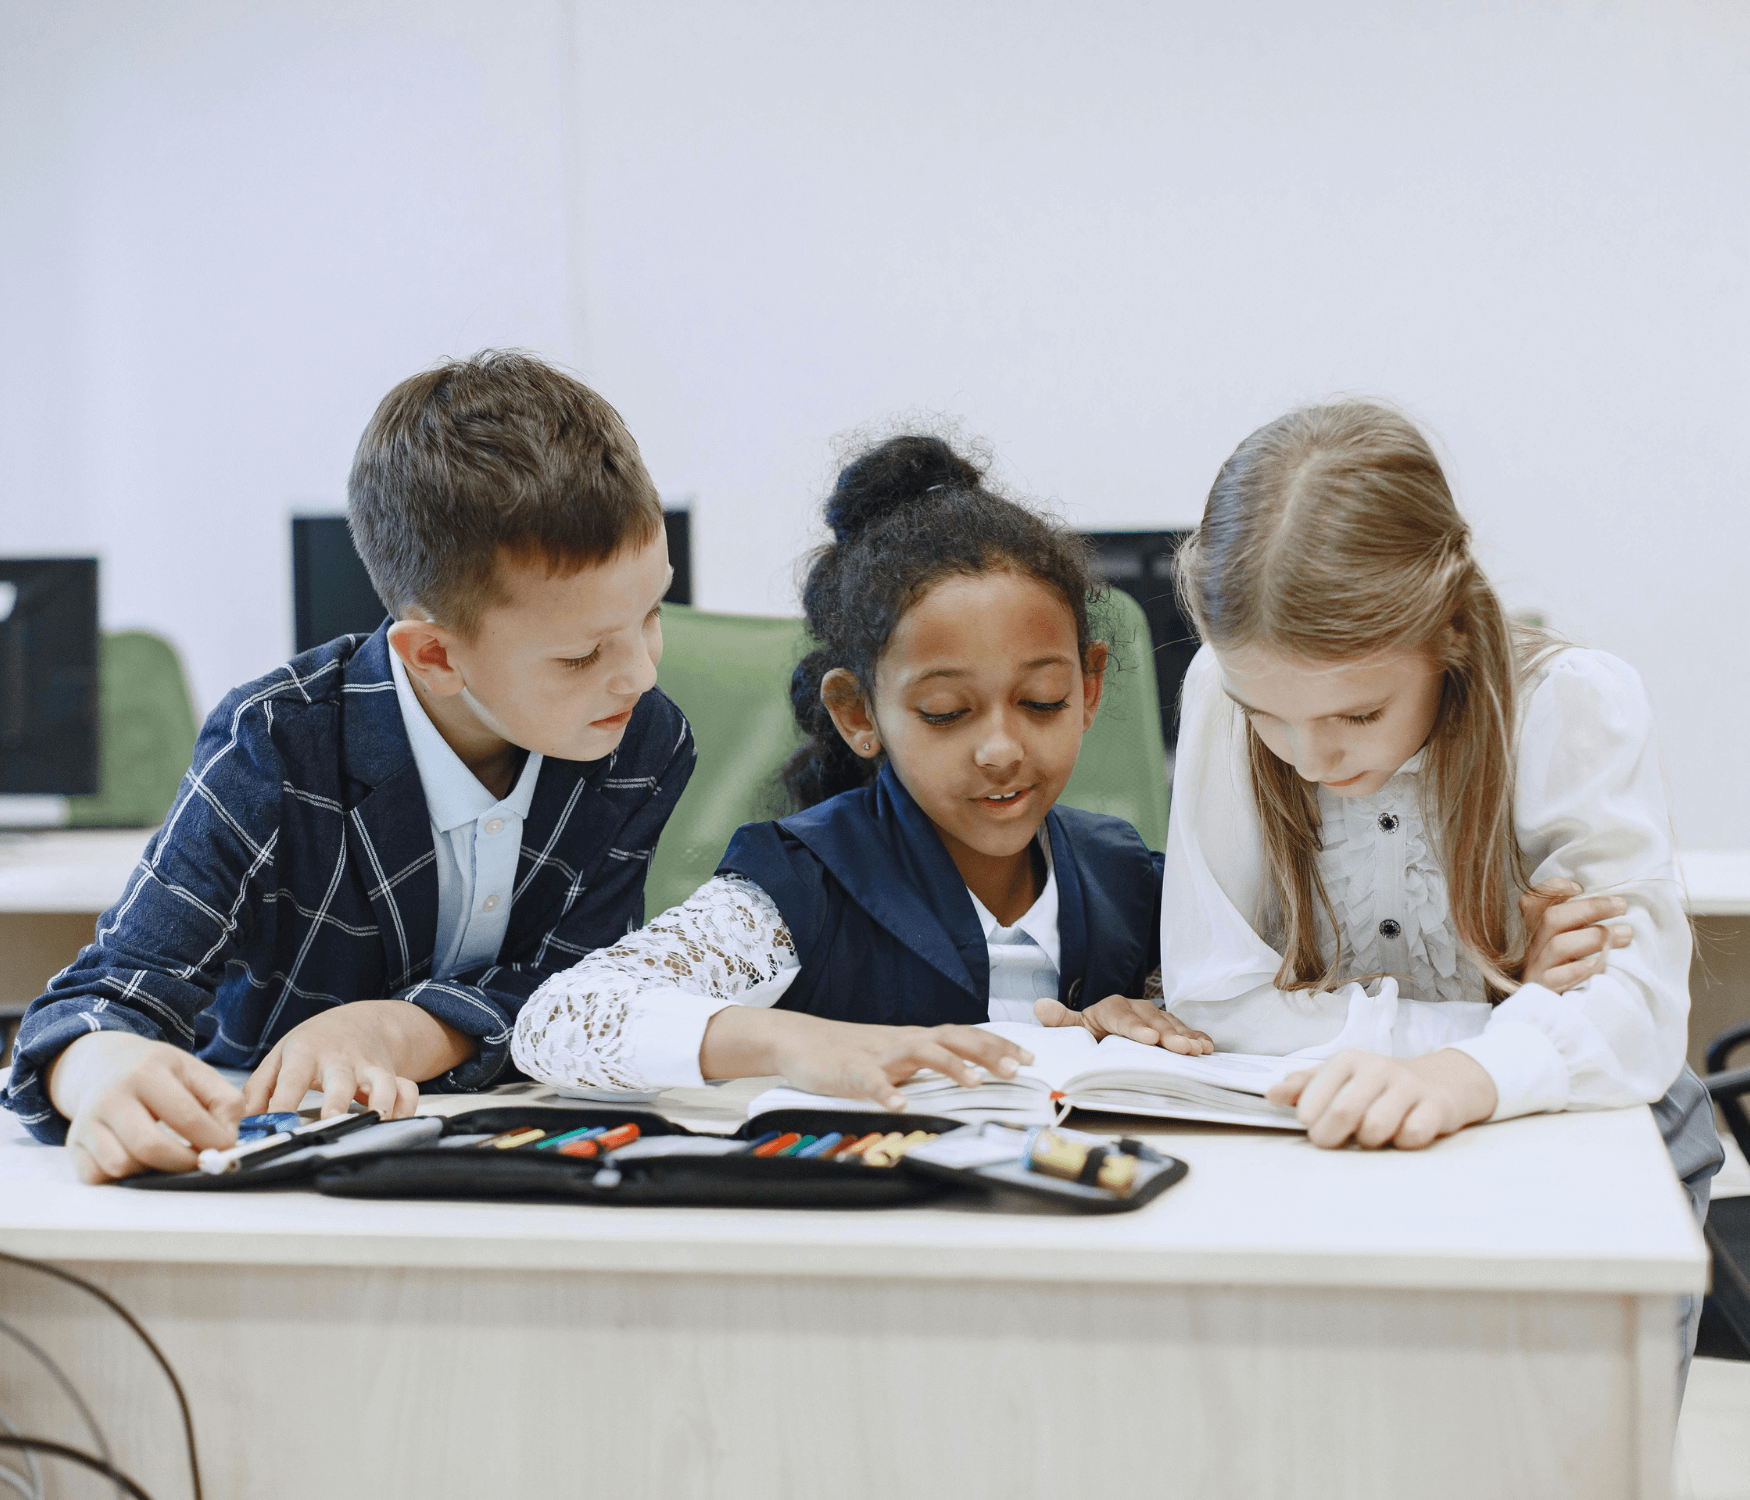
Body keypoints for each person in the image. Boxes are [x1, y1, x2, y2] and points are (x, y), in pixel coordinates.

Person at [6, 351, 694, 1182]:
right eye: (583, 653)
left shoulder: (642, 743)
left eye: (653, 611)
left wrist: (393, 1031)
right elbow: (107, 993)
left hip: (511, 1162)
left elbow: (580, 995)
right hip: (278, 1153)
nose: (641, 672)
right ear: (435, 654)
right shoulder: (273, 744)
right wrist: (102, 1069)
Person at [1160, 400, 1720, 1371]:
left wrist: (1456, 1078)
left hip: (1592, 1152)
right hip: (1345, 1146)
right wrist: (1506, 1024)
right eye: (1270, 717)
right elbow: (1216, 998)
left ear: (1449, 633)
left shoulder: (1575, 703)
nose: (1306, 758)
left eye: (1358, 711)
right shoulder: (1220, 687)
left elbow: (1633, 1021)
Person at [513, 434, 1204, 1107]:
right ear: (858, 714)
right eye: (945, 711)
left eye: (1040, 701)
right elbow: (560, 1020)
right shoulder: (796, 890)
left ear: (1088, 687)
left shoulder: (1134, 884)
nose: (1001, 748)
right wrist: (793, 1042)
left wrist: (1150, 1024)